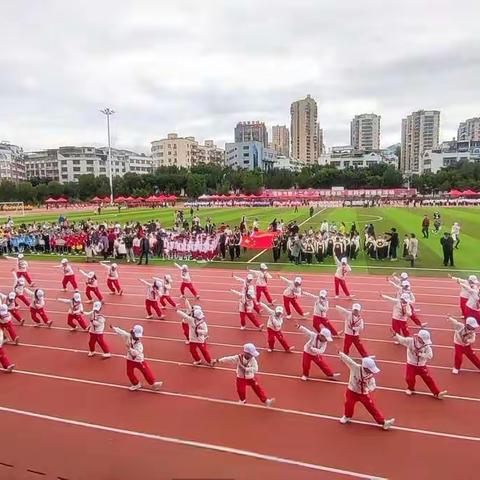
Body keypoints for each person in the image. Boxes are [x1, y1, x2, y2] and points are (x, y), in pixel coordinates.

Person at [339, 352, 395, 430]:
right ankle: (347, 416)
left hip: (363, 394)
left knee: (372, 407)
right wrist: (341, 354)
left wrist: (369, 389)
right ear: (365, 367)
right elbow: (348, 360)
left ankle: (383, 422)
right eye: (370, 369)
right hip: (352, 391)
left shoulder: (370, 374)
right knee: (349, 404)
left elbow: (372, 383)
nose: (372, 371)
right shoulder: (356, 368)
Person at [394, 329, 446, 398]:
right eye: (423, 340)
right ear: (419, 338)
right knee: (409, 378)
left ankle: (437, 393)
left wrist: (421, 354)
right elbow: (402, 340)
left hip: (422, 365)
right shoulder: (410, 341)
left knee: (428, 379)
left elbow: (430, 356)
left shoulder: (427, 346)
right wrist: (396, 335)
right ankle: (410, 388)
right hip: (411, 364)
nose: (424, 342)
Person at [111, 324, 163, 391]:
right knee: (129, 372)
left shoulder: (139, 344)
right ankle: (136, 384)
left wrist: (129, 348)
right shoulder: (128, 336)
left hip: (138, 360)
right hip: (130, 359)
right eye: (136, 335)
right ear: (132, 333)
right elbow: (122, 332)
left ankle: (153, 383)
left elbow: (136, 353)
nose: (138, 337)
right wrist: (114, 328)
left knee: (145, 371)